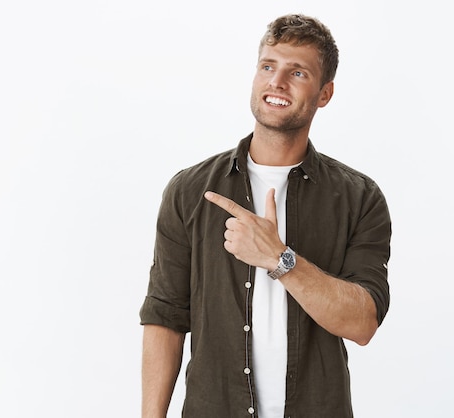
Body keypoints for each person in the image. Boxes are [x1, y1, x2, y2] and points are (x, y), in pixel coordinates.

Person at [139, 13, 391, 418]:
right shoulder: (190, 191)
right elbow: (165, 317)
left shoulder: (358, 197)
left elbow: (362, 322)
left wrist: (279, 259)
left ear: (324, 94)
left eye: (298, 73)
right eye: (268, 66)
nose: (277, 82)